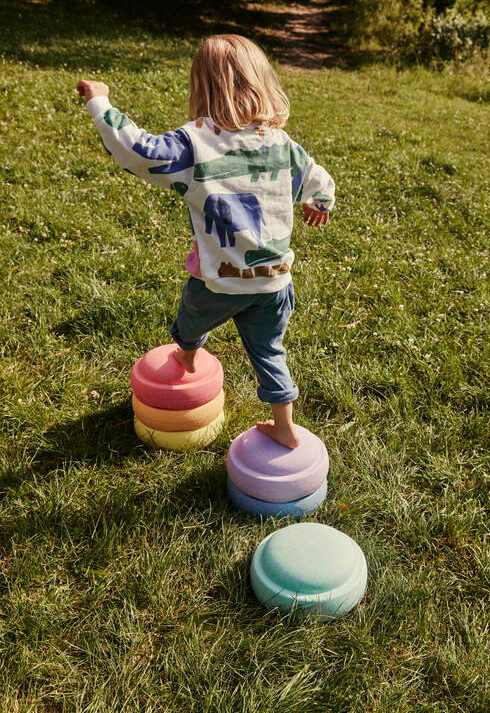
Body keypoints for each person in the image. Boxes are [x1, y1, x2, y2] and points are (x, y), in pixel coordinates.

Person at [77, 34, 335, 449]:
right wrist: (320, 201)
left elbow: (135, 150)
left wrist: (100, 102)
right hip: (274, 282)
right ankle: (284, 427)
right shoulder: (281, 143)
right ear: (261, 82)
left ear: (201, 85)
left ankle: (188, 357)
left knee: (191, 319)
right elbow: (316, 176)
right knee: (270, 351)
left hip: (219, 282)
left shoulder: (194, 144)